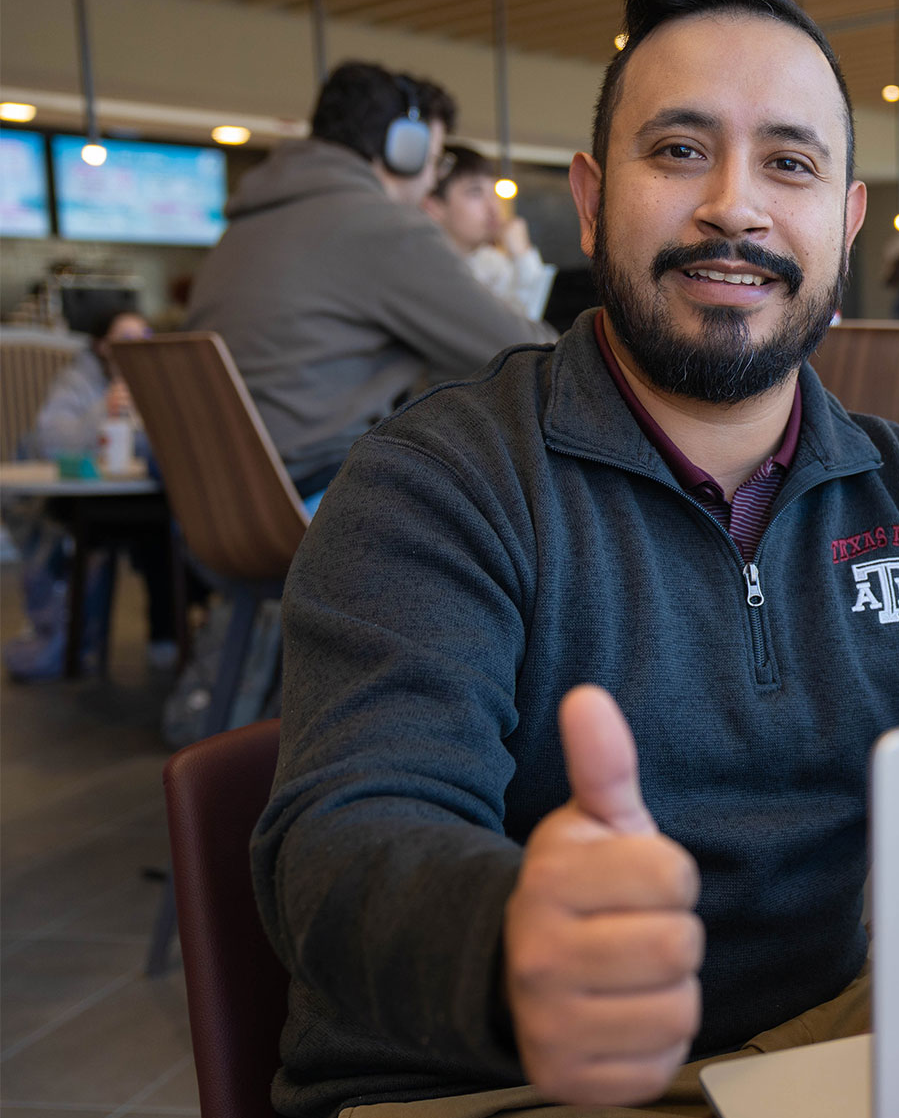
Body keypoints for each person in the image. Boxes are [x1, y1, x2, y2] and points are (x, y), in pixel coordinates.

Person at [252, 0, 899, 1118]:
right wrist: (514, 940)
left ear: (845, 227)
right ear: (593, 203)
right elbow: (344, 831)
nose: (735, 209)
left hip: (818, 1060)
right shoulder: (438, 479)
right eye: (679, 151)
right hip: (495, 1100)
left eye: (790, 165)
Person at [187, 62, 554, 500]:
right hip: (324, 500)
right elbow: (530, 356)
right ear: (404, 149)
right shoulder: (381, 226)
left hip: (228, 509)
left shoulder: (242, 229)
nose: (432, 180)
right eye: (435, 162)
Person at [4, 312, 181, 679]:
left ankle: (166, 636)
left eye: (145, 335)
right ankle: (74, 638)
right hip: (85, 496)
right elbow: (52, 442)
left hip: (145, 492)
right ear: (103, 346)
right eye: (127, 338)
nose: (139, 346)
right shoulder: (78, 381)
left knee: (165, 528)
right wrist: (106, 407)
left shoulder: (159, 380)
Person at [424, 144, 559, 334]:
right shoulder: (422, 268)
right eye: (475, 192)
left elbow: (525, 332)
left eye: (493, 192)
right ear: (433, 206)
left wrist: (523, 254)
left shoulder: (491, 263)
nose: (494, 208)